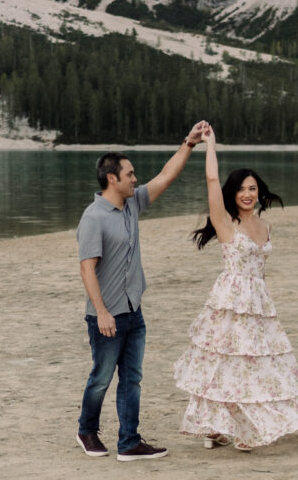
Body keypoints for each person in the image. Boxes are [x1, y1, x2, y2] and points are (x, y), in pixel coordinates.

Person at [174, 126, 298, 451]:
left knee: (258, 365)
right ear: (233, 194)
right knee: (229, 363)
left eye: (252, 188)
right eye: (241, 189)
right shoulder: (225, 222)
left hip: (259, 303)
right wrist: (210, 145)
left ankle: (230, 428)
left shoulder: (265, 225)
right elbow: (211, 181)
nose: (247, 194)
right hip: (231, 301)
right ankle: (223, 428)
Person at [76, 121, 209, 461]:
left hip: (134, 310)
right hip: (106, 315)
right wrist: (102, 311)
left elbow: (166, 176)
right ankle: (87, 430)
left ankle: (129, 443)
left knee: (131, 379)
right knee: (102, 377)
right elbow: (87, 269)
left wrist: (189, 144)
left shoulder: (133, 203)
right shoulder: (93, 218)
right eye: (130, 174)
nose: (135, 179)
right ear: (112, 179)